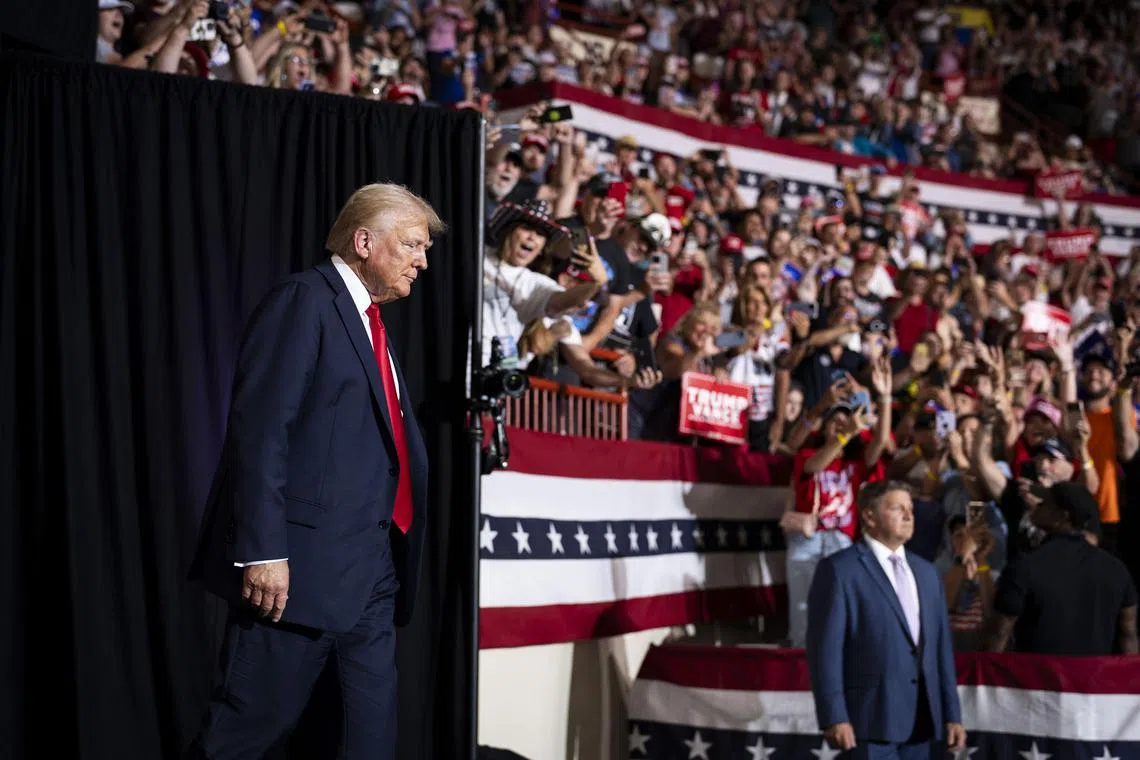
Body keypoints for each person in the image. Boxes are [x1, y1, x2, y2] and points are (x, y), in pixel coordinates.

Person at [186, 183, 443, 759]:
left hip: (374, 573)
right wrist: (262, 551)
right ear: (363, 241)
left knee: (368, 744)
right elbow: (261, 431)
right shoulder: (305, 300)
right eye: (412, 245)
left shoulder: (374, 324)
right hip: (298, 575)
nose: (422, 261)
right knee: (240, 740)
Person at [806, 480, 966, 760]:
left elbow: (941, 651)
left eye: (911, 509)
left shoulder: (927, 573)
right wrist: (834, 715)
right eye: (897, 508)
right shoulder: (840, 570)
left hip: (925, 721)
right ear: (869, 515)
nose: (908, 516)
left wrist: (952, 714)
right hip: (870, 721)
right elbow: (825, 651)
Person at [983, 482, 1138, 655]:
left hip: (1037, 679)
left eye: (1045, 503)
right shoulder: (1116, 570)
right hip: (1094, 679)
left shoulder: (1026, 567)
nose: (1037, 505)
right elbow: (1129, 635)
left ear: (1062, 516)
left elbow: (999, 633)